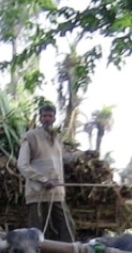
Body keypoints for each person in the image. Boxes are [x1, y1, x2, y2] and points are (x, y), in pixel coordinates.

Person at [17, 104, 95, 245]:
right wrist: (43, 180)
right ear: (40, 118)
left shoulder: (57, 138)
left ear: (54, 118)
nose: (47, 119)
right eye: (44, 116)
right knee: (37, 232)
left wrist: (83, 154)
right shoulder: (31, 137)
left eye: (50, 116)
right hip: (38, 194)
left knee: (67, 226)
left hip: (57, 192)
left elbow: (64, 158)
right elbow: (22, 165)